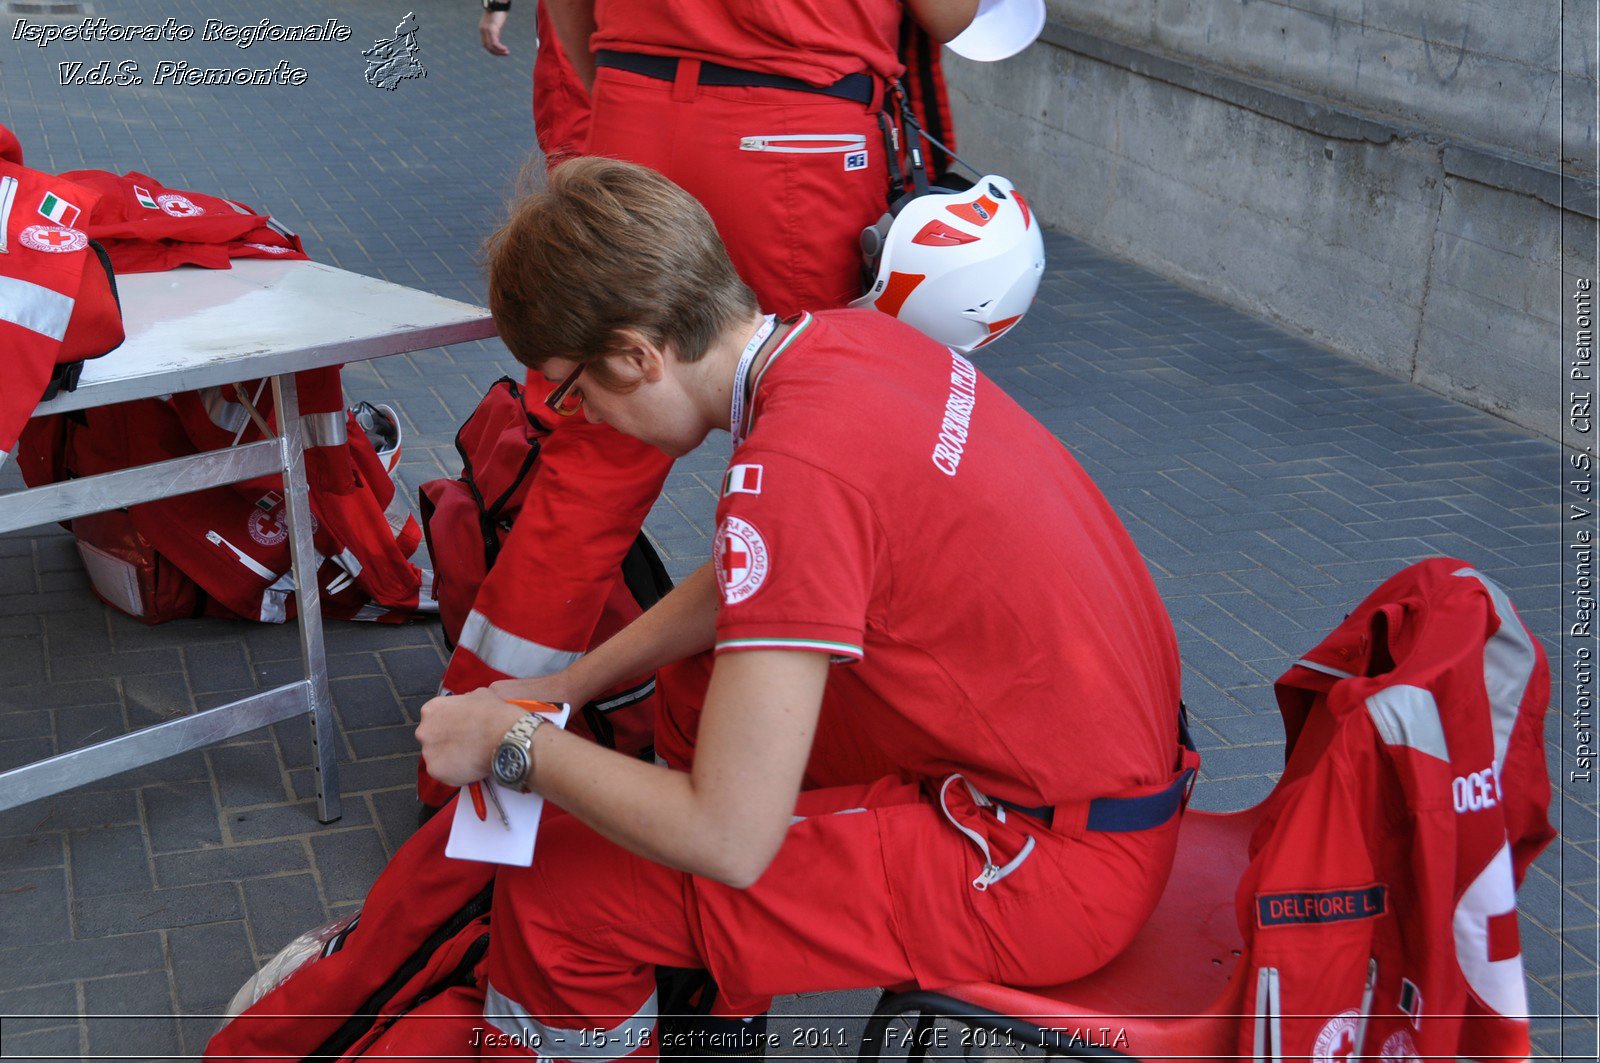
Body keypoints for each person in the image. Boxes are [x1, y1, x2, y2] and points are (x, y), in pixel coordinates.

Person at [415, 158, 1195, 1059]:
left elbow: (730, 836)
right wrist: (567, 681)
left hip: (1046, 861)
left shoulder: (793, 470)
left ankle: (669, 951)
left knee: (560, 895)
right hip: (1100, 777)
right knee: (699, 683)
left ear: (636, 355)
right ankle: (713, 987)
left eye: (570, 386)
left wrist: (513, 747)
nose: (574, 409)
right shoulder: (843, 343)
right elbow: (753, 580)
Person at [427, 0, 977, 807]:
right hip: (801, 137)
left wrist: (635, 96)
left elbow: (569, 18)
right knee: (828, 447)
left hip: (636, 115)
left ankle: (471, 759)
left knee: (583, 481)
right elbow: (950, 15)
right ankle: (829, 759)